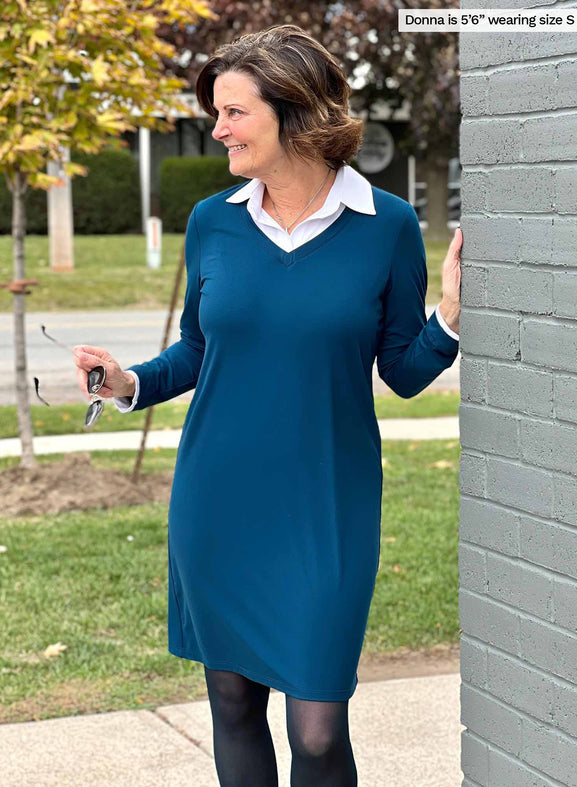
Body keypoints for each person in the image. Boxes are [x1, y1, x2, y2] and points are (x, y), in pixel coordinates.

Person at [73, 24, 462, 787]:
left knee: (317, 730)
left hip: (326, 501)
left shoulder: (386, 226)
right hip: (219, 496)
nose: (216, 129)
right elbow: (196, 347)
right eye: (216, 113)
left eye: (233, 112)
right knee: (233, 700)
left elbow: (404, 370)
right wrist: (127, 383)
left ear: (296, 110)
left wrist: (448, 316)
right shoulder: (213, 221)